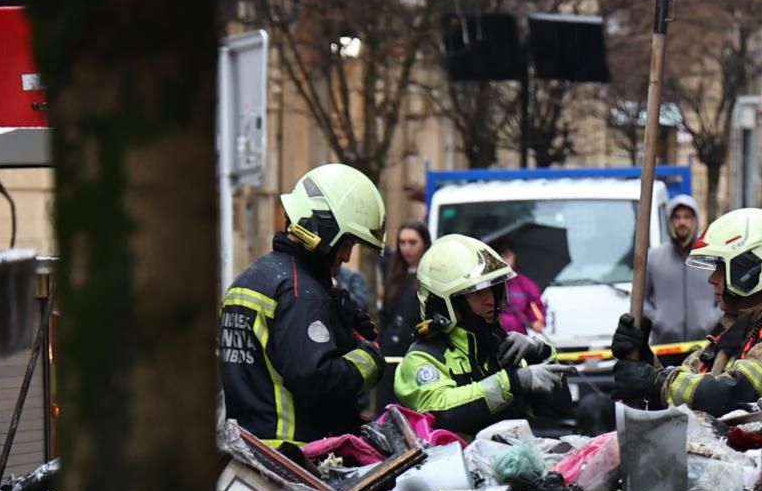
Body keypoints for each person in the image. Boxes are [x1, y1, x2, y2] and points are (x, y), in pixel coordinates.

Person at [220, 163, 388, 448]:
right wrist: (370, 358)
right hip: (295, 459)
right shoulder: (299, 290)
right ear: (323, 229)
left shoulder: (251, 278)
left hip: (251, 452)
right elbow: (316, 379)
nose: (347, 256)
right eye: (347, 243)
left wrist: (341, 330)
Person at [611, 207, 762, 417]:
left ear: (750, 269)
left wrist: (656, 382)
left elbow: (736, 395)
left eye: (720, 268)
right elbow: (691, 384)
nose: (711, 278)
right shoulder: (732, 335)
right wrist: (644, 360)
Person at [395, 234, 568, 437]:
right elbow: (440, 412)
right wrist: (511, 383)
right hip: (452, 466)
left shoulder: (502, 349)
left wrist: (541, 354)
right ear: (448, 301)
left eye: (493, 289)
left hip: (510, 464)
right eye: (477, 292)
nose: (490, 301)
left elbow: (555, 411)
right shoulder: (423, 358)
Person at [643, 194, 714, 347]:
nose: (682, 222)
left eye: (687, 217)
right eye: (677, 217)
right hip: (664, 346)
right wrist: (659, 321)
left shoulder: (711, 257)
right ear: (670, 221)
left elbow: (725, 297)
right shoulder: (653, 258)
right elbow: (642, 299)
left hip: (705, 346)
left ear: (695, 221)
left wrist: (712, 319)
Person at [378, 222, 430, 359]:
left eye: (413, 242)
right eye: (402, 242)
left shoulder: (431, 278)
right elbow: (385, 316)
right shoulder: (394, 275)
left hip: (417, 351)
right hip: (389, 350)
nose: (407, 248)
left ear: (424, 244)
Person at [494, 237, 547, 335]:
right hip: (494, 337)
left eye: (507, 256)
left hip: (520, 338)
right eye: (499, 257)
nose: (504, 261)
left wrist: (537, 322)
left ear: (514, 256)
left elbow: (535, 307)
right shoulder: (486, 285)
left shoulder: (525, 285)